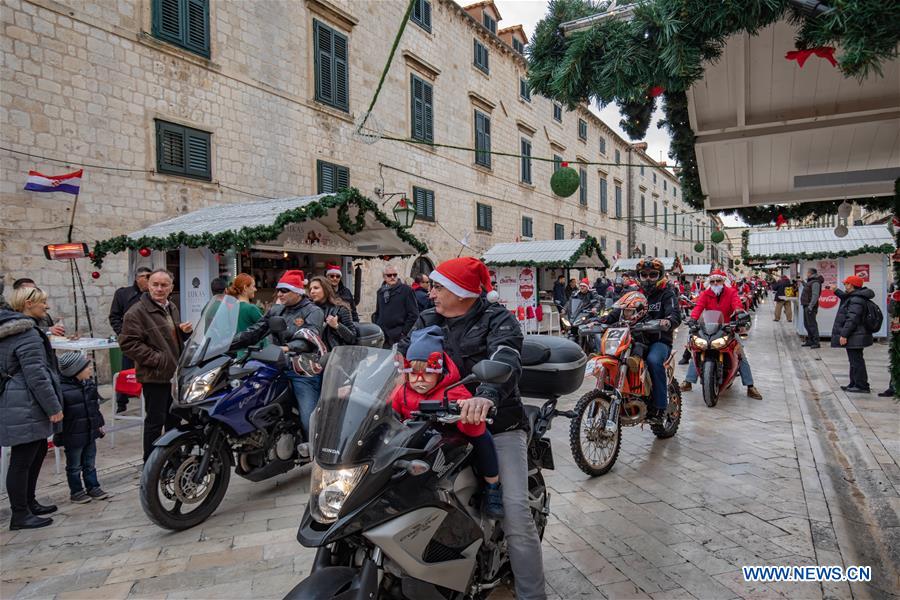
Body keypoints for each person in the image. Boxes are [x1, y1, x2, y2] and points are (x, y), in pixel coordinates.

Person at [399, 257, 544, 600]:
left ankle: (532, 594)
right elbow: (405, 355)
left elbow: (506, 359)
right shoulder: (427, 318)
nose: (429, 292)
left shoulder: (498, 319)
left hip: (498, 422)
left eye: (437, 286)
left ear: (461, 291)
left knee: (516, 512)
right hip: (436, 421)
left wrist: (486, 397)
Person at [390, 325, 504, 519]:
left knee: (483, 438)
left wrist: (468, 413)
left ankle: (492, 485)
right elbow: (389, 411)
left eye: (427, 373)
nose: (419, 380)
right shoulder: (402, 392)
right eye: (413, 373)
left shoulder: (453, 391)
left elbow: (471, 426)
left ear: (440, 371)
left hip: (452, 442)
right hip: (419, 442)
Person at [231, 270, 325, 440]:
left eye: (284, 290)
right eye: (279, 290)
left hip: (301, 369)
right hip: (275, 365)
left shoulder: (313, 311)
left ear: (297, 292)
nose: (279, 294)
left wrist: (287, 348)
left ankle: (313, 455)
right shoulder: (276, 310)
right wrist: (227, 343)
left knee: (309, 420)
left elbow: (309, 338)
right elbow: (255, 331)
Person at [1, 288, 64, 530]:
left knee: (36, 451)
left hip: (16, 398)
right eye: (43, 302)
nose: (46, 307)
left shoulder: (11, 330)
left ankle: (29, 503)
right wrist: (53, 407)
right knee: (23, 458)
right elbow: (37, 375)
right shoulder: (26, 334)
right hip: (24, 401)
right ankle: (20, 514)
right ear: (28, 304)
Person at [118, 269, 192, 461]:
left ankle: (173, 458)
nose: (159, 289)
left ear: (171, 288)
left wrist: (181, 333)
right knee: (155, 421)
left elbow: (167, 338)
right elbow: (129, 344)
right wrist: (159, 360)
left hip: (173, 375)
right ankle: (151, 463)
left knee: (174, 419)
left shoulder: (171, 307)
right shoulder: (136, 312)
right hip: (155, 375)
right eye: (155, 284)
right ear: (148, 286)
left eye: (164, 285)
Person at [600, 258, 682, 422]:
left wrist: (668, 321)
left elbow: (675, 314)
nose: (648, 278)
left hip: (658, 341)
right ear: (639, 276)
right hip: (634, 338)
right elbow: (618, 311)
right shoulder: (632, 293)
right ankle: (609, 398)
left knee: (653, 361)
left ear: (660, 275)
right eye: (644, 275)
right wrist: (602, 320)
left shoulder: (667, 293)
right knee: (612, 357)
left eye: (653, 274)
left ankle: (660, 407)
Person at [679, 270, 763, 400]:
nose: (715, 283)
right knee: (696, 350)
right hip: (708, 328)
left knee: (740, 355)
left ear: (724, 282)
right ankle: (688, 381)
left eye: (718, 281)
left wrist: (739, 312)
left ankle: (750, 386)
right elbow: (698, 307)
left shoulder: (731, 292)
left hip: (727, 328)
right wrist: (693, 319)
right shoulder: (706, 294)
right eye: (712, 281)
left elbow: (737, 304)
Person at [56, 352, 108, 504]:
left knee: (90, 463)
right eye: (87, 367)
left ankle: (93, 487)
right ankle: (77, 491)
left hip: (90, 432)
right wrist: (60, 435)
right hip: (72, 435)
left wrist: (98, 426)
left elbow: (94, 408)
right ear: (75, 370)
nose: (90, 369)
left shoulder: (89, 384)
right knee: (74, 465)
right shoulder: (62, 390)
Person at [108, 266, 152, 412]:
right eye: (146, 276)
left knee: (148, 371)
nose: (148, 279)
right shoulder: (123, 294)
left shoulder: (153, 294)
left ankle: (148, 400)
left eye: (150, 276)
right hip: (130, 340)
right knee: (126, 370)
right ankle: (121, 402)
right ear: (137, 278)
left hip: (148, 340)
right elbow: (114, 316)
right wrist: (123, 333)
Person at [832, 275, 875, 393]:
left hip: (855, 334)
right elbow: (845, 297)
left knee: (856, 360)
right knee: (854, 360)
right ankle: (854, 383)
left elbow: (852, 318)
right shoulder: (856, 296)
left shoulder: (856, 299)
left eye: (846, 284)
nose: (845, 285)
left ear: (851, 285)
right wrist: (836, 290)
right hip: (856, 334)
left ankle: (861, 385)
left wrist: (844, 334)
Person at [372, 266, 419, 349]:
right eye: (389, 275)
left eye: (395, 275)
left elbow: (414, 314)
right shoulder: (380, 292)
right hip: (384, 337)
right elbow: (378, 312)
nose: (392, 277)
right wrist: (377, 325)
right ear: (384, 277)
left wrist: (403, 333)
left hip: (399, 337)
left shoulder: (406, 290)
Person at [307, 276, 357, 351]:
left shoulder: (340, 309)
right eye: (310, 289)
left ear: (325, 289)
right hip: (311, 354)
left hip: (333, 355)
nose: (312, 291)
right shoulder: (308, 309)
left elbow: (352, 338)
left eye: (316, 288)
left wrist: (337, 326)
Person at [800, 268, 824, 349]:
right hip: (806, 305)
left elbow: (815, 295)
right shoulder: (811, 281)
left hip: (810, 306)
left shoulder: (816, 282)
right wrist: (802, 282)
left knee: (812, 324)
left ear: (810, 273)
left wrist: (810, 306)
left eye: (807, 272)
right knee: (807, 324)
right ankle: (810, 340)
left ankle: (816, 342)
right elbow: (808, 288)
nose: (806, 274)